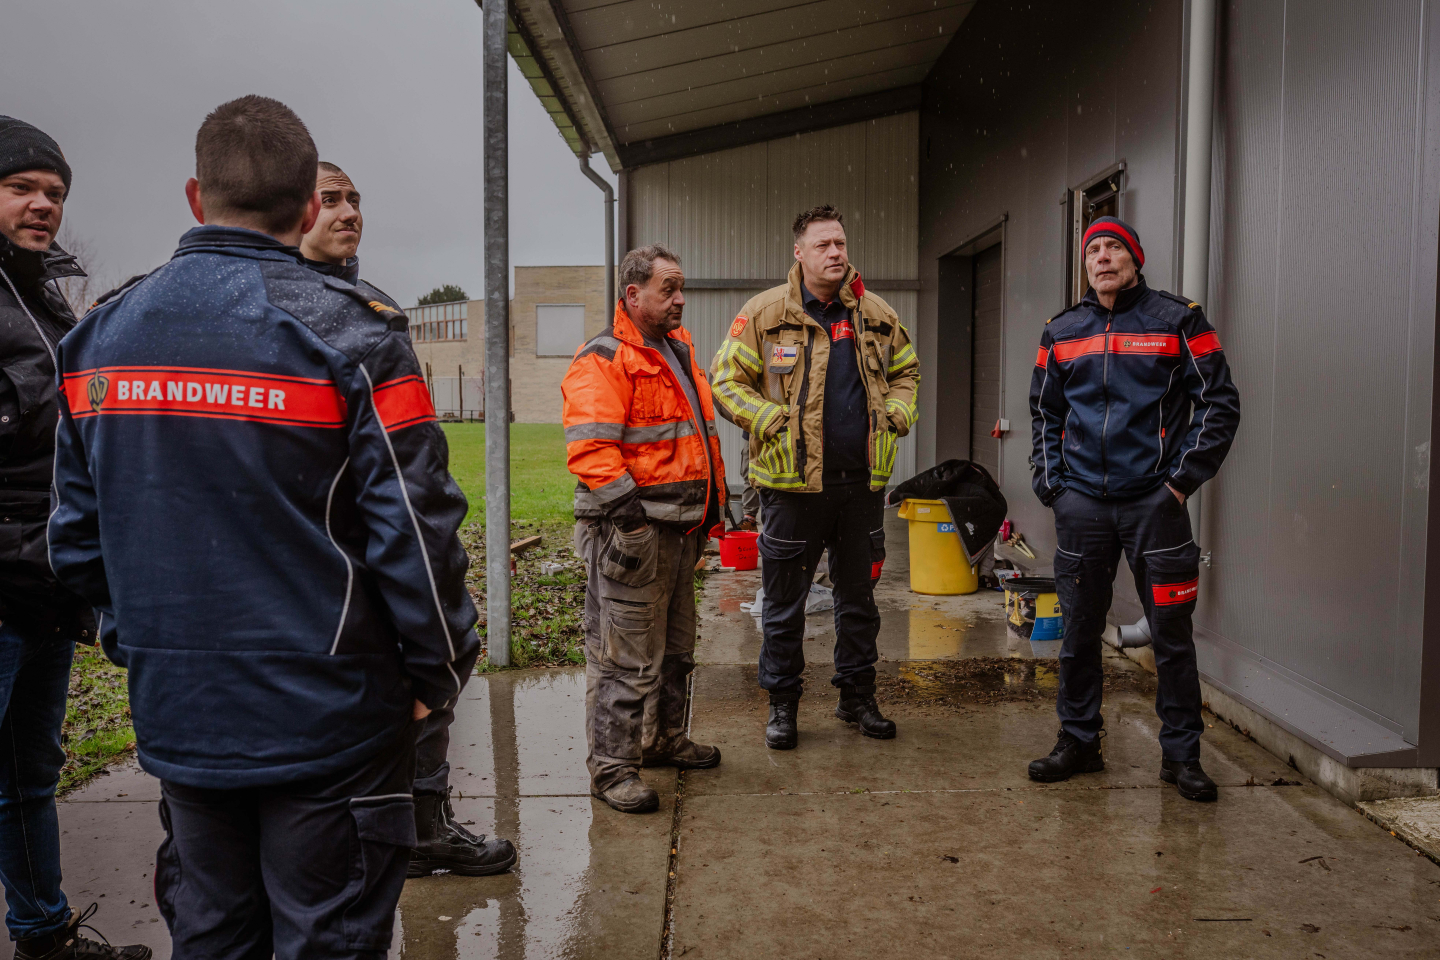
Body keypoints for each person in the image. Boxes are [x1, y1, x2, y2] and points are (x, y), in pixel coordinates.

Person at [48, 96, 479, 959]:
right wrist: (438, 671)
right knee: (327, 936)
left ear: (195, 194)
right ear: (309, 204)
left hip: (182, 717)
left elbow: (76, 543)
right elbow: (418, 531)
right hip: (331, 717)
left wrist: (147, 648)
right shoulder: (353, 337)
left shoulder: (99, 339)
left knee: (213, 934)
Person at [300, 161, 515, 877]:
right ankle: (370, 834)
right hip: (329, 554)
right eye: (331, 199)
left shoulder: (375, 309)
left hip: (391, 538)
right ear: (293, 208)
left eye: (355, 199)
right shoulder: (280, 312)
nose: (349, 212)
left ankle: (425, 825)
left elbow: (407, 456)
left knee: (427, 686)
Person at [0, 116, 151, 960]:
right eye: (21, 187)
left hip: (42, 592)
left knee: (28, 777)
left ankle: (41, 933)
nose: (43, 205)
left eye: (54, 192)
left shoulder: (46, 298)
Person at [1028, 215, 1241, 801]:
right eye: (1093, 249)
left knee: (1172, 637)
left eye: (1113, 247)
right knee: (1078, 633)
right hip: (1083, 507)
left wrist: (1179, 483)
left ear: (1135, 258)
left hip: (1155, 505)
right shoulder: (1061, 331)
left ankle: (1182, 757)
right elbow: (1044, 413)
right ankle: (1079, 741)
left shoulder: (1178, 320)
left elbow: (1219, 403)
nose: (1102, 257)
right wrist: (1053, 488)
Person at [710, 205, 920, 750]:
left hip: (860, 487)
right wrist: (770, 419)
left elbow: (907, 371)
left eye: (841, 243)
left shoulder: (875, 313)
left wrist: (898, 412)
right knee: (784, 606)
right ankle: (782, 705)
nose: (835, 253)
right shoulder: (764, 314)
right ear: (799, 253)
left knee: (859, 603)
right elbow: (725, 380)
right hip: (790, 490)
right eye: (823, 244)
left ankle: (857, 697)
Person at [562, 244, 726, 814]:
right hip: (634, 536)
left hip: (679, 532)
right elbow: (591, 450)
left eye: (681, 288)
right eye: (668, 289)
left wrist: (708, 516)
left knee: (676, 651)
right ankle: (612, 769)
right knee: (625, 659)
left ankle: (661, 739)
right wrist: (632, 524)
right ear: (633, 295)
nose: (680, 299)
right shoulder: (605, 358)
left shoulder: (675, 350)